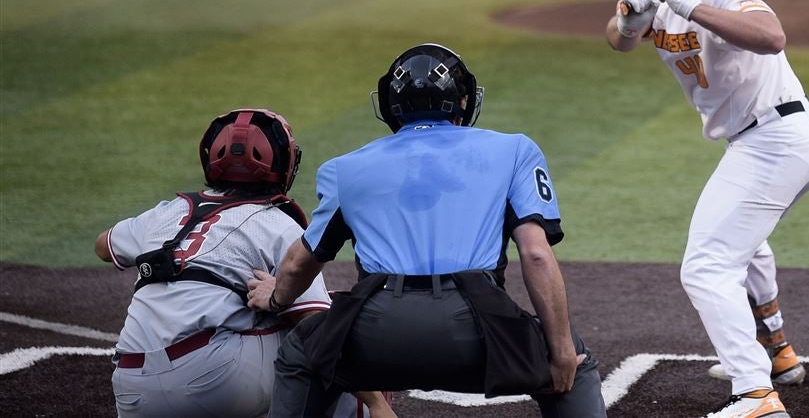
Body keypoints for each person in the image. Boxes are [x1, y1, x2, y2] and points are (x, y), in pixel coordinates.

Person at [252, 44, 607, 418]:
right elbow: (535, 254)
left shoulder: (345, 168)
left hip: (376, 338)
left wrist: (275, 298)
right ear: (463, 102)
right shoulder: (515, 150)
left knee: (301, 355)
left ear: (390, 105)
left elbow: (299, 264)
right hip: (479, 335)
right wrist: (562, 351)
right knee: (574, 363)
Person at [602, 0, 809, 418]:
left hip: (777, 140)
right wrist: (628, 21)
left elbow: (773, 37)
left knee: (705, 266)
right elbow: (617, 40)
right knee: (741, 241)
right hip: (768, 142)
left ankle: (755, 397)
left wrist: (689, 7)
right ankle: (776, 352)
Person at [95, 108, 393, 417]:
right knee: (334, 322)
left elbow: (104, 245)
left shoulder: (166, 212)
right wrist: (375, 402)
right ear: (284, 164)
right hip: (217, 383)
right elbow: (317, 327)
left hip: (131, 387)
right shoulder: (276, 223)